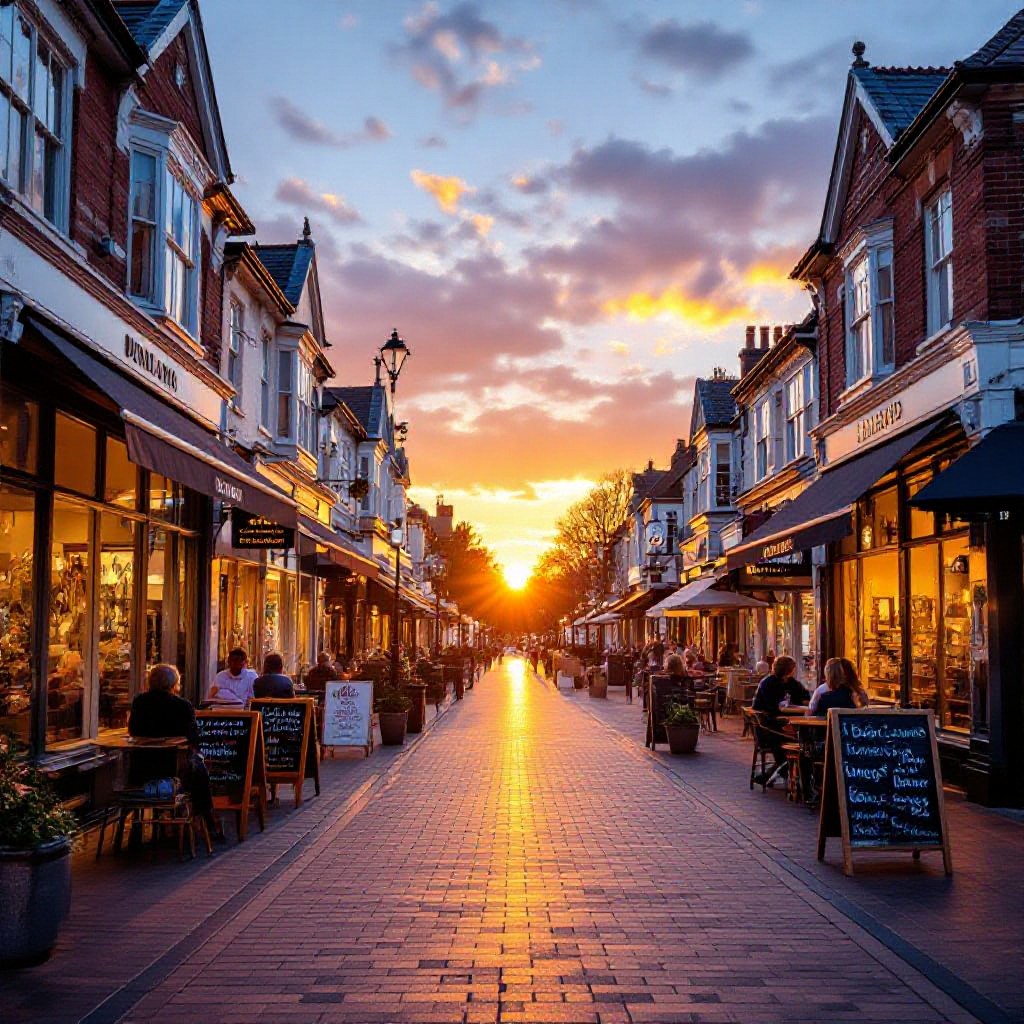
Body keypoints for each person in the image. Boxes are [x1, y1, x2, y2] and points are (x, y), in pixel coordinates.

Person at [128, 663, 221, 840]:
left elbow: (133, 730)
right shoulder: (182, 705)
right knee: (199, 770)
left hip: (141, 769)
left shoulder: (140, 702)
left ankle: (148, 827)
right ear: (174, 684)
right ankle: (206, 819)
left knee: (197, 768)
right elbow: (192, 737)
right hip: (174, 771)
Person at [751, 655, 808, 784]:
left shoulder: (791, 682)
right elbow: (771, 710)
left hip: (784, 723)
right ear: (788, 670)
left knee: (801, 740)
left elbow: (804, 696)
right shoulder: (768, 683)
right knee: (800, 742)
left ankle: (776, 773)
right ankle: (787, 773)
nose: (795, 671)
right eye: (793, 668)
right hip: (768, 729)